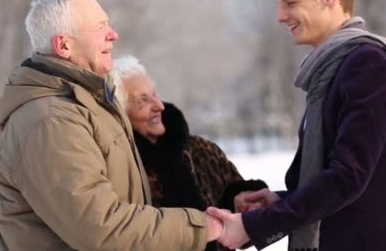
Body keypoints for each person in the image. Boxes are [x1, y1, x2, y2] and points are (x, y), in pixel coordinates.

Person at [207, 0, 386, 251]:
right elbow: (339, 181)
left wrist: (253, 226)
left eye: (290, 2)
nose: (280, 16)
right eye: (279, 4)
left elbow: (348, 178)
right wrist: (277, 202)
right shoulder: (332, 71)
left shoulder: (370, 65)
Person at [0, 0, 223, 250]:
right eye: (99, 27)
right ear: (64, 45)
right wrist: (201, 228)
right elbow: (101, 227)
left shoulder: (93, 104)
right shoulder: (51, 121)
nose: (113, 35)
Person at [110, 55, 268, 251]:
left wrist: (240, 202)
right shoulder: (120, 166)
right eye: (143, 101)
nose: (159, 106)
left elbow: (238, 222)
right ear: (121, 113)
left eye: (154, 94)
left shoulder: (201, 150)